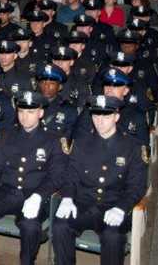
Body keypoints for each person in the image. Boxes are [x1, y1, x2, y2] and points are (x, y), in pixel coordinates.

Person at [0, 90, 66, 265]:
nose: (25, 117)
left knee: (29, 226)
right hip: (6, 192)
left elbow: (57, 176)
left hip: (34, 196)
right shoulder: (6, 135)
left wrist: (39, 196)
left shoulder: (53, 140)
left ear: (40, 113)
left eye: (30, 112)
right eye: (21, 111)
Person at [53, 95, 148, 265]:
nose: (100, 121)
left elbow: (137, 186)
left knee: (113, 236)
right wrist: (67, 197)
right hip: (83, 204)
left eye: (105, 116)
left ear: (116, 117)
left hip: (113, 206)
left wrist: (121, 208)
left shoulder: (132, 147)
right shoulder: (81, 143)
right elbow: (70, 175)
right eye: (96, 116)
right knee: (61, 226)